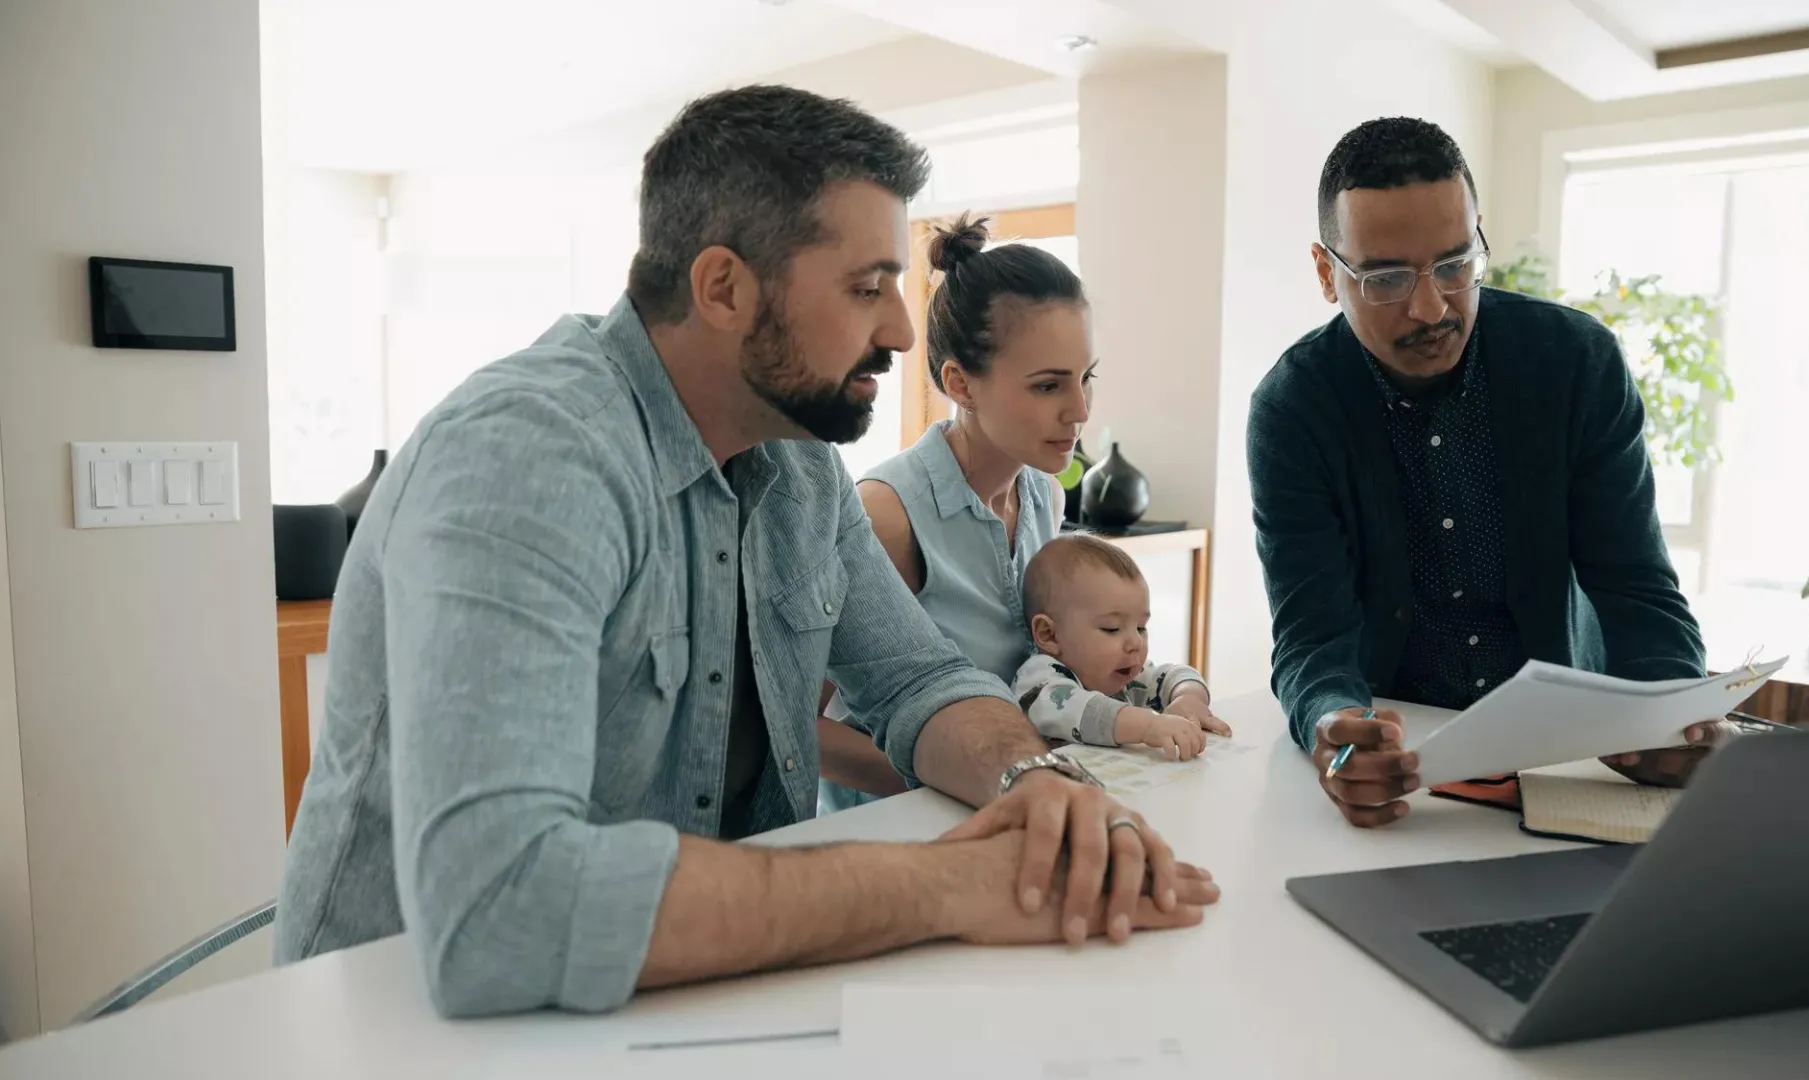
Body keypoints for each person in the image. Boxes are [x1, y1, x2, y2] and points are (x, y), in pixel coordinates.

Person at [273, 85, 1218, 1019]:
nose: (897, 330)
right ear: (723, 287)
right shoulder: (530, 456)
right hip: (415, 1031)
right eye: (866, 287)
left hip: (696, 996)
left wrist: (1036, 785)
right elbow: (499, 907)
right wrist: (947, 885)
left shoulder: (799, 468)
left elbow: (921, 681)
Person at [1246, 116, 1731, 829]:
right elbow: (1313, 633)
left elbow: (1634, 584)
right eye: (1385, 277)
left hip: (1571, 757)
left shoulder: (1576, 364)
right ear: (1327, 274)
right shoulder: (1293, 409)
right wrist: (1332, 726)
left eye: (1454, 264)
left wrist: (1672, 714)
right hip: (1402, 765)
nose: (1431, 306)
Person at [815, 214, 1087, 811]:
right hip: (893, 833)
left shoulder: (1046, 494)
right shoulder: (886, 517)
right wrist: (977, 779)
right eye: (1048, 386)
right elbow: (796, 729)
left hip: (1006, 804)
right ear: (961, 384)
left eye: (1085, 379)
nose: (1080, 410)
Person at [1011, 534, 1232, 761]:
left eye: (1141, 627)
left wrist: (1188, 698)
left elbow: (1175, 674)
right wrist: (1149, 725)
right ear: (1050, 635)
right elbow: (1089, 712)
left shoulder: (1126, 674)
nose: (1136, 642)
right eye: (1112, 628)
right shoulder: (1039, 681)